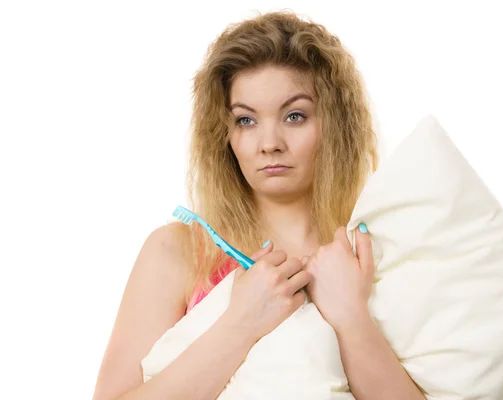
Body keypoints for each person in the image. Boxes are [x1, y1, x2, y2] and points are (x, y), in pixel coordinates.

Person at [93, 10, 425, 400]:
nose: (269, 143)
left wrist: (352, 316)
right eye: (246, 120)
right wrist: (241, 323)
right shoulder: (178, 252)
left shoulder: (373, 253)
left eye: (295, 116)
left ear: (334, 125)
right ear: (224, 134)